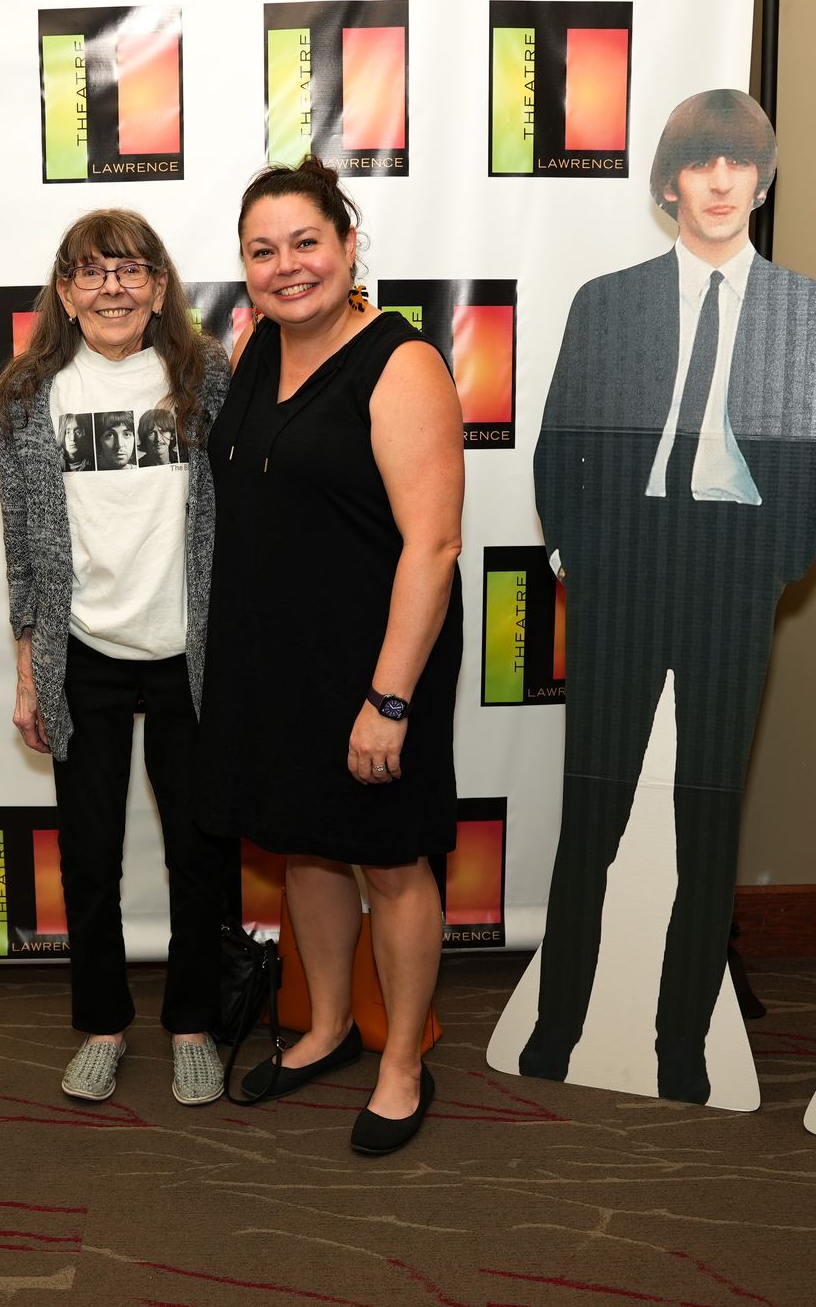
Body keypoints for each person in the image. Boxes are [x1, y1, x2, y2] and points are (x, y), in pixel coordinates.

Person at [519, 91, 816, 1103]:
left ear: (761, 179)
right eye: (700, 164)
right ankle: (560, 1021)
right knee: (596, 806)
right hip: (622, 566)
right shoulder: (607, 302)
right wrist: (585, 553)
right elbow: (558, 447)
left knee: (709, 810)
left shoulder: (812, 313)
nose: (719, 182)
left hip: (731, 572)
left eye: (738, 164)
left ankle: (682, 1040)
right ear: (669, 185)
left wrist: (765, 569)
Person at [197, 157, 465, 1155]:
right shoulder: (258, 345)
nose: (286, 265)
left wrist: (388, 700)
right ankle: (328, 1028)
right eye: (262, 251)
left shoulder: (403, 364)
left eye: (306, 242)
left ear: (349, 247)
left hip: (374, 661)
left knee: (391, 858)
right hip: (278, 656)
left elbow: (433, 547)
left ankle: (400, 1064)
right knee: (305, 841)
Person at [0, 209, 232, 1106]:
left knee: (199, 854)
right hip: (82, 651)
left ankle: (194, 1026)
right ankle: (101, 1023)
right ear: (64, 291)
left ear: (160, 287)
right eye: (91, 273)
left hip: (189, 655)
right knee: (89, 857)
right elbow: (22, 541)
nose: (113, 288)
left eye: (131, 271)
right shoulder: (26, 393)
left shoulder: (205, 374)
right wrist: (29, 668)